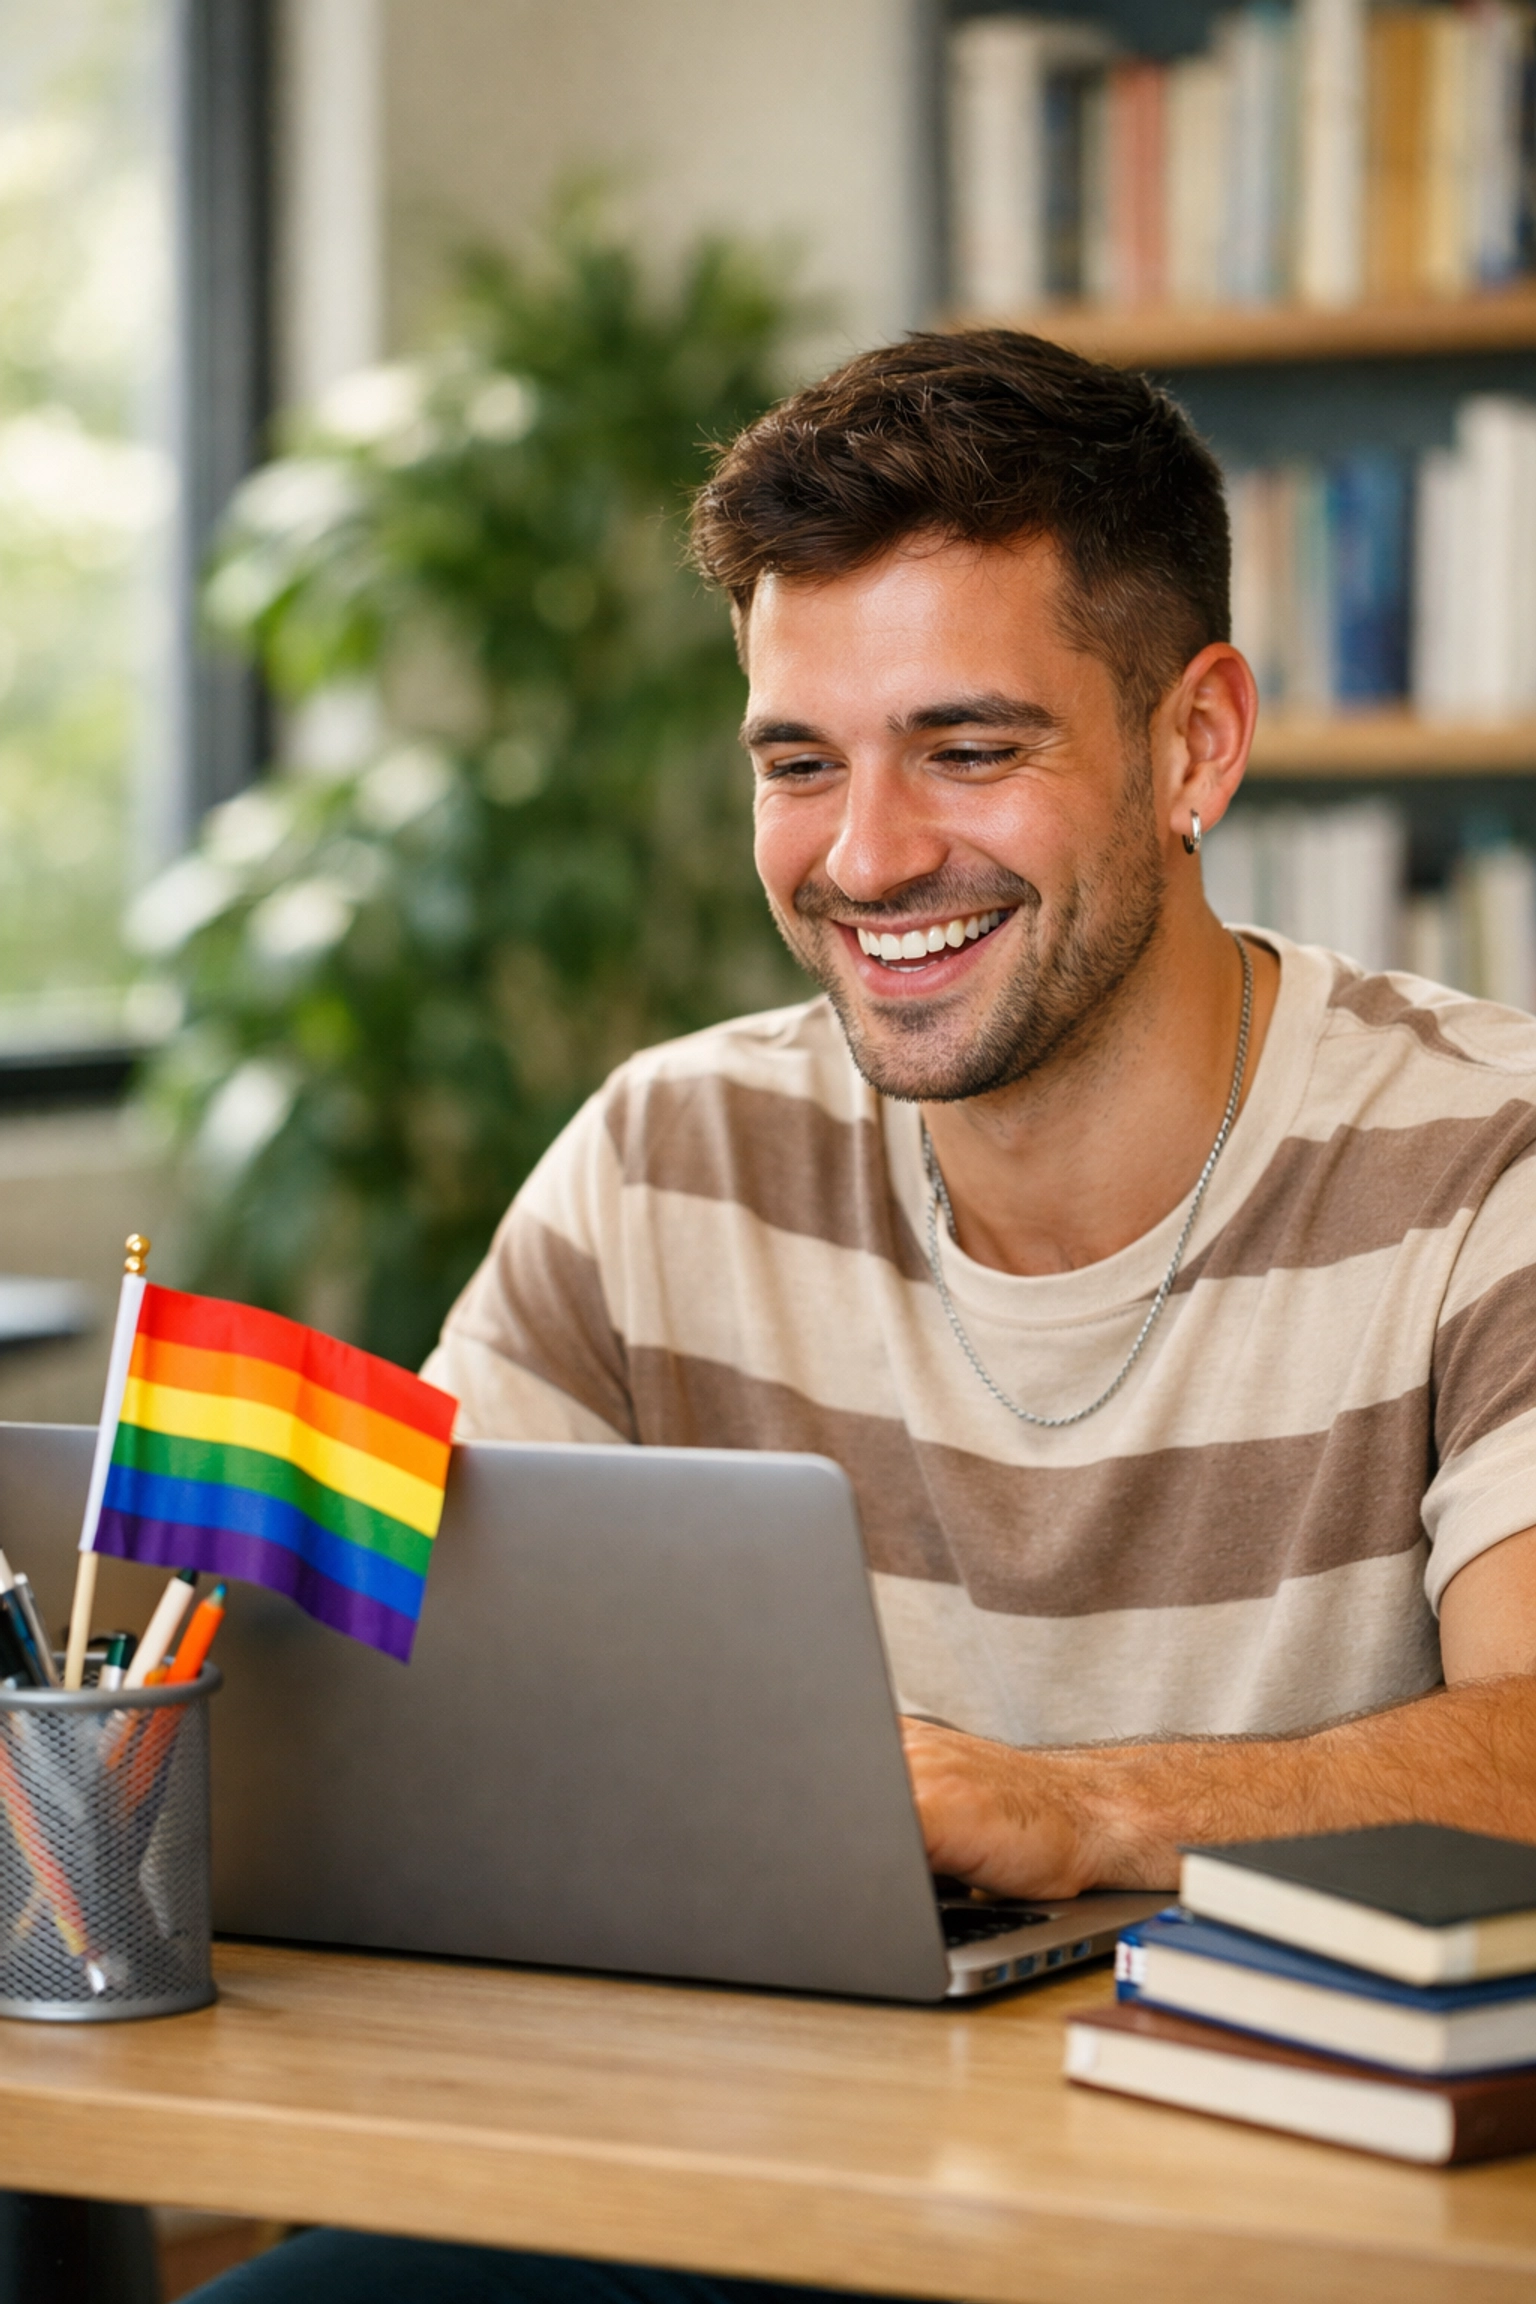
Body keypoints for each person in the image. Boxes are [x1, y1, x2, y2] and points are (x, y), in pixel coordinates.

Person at [187, 330, 1536, 2303]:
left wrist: (1073, 1807)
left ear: (1195, 746)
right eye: (800, 764)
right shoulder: (669, 1153)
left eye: (969, 750)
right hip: (742, 2188)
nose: (869, 855)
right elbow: (404, 1686)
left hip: (1282, 2230)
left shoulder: (1489, 1157)